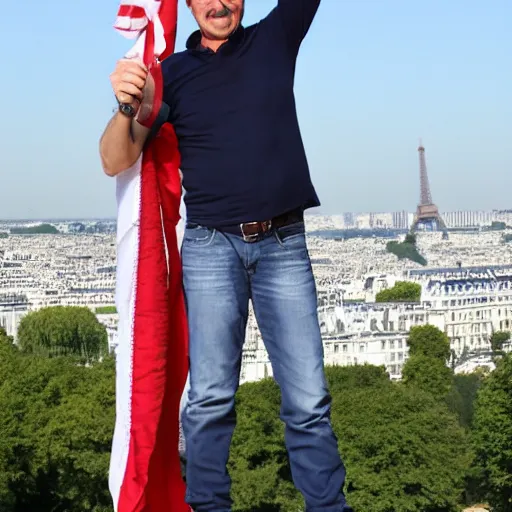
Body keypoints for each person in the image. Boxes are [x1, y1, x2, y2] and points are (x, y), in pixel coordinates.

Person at [100, 0, 353, 511]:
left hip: (284, 243)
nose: (219, 4)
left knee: (308, 400)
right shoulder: (168, 75)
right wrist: (128, 104)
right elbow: (115, 158)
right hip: (211, 248)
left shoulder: (274, 38)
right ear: (189, 5)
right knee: (210, 398)